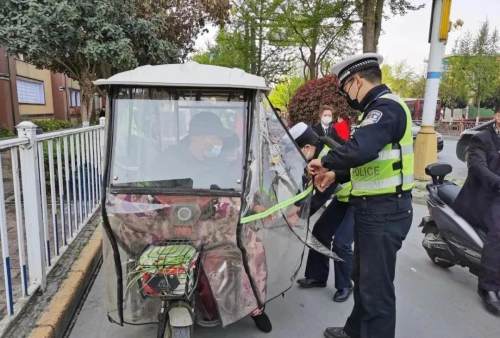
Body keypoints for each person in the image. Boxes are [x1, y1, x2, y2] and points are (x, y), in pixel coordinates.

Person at [307, 53, 414, 338]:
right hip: (373, 210)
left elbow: (360, 149)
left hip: (385, 211)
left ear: (356, 81)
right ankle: (354, 331)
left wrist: (326, 163)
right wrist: (336, 175)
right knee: (363, 278)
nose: (347, 97)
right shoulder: (375, 112)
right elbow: (370, 162)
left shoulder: (385, 109)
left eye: (346, 90)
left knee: (375, 288)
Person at [289, 122, 354, 303]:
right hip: (344, 198)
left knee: (342, 243)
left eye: (298, 151)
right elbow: (305, 188)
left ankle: (345, 285)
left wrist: (298, 216)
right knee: (320, 231)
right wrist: (289, 210)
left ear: (308, 147)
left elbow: (320, 194)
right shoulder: (316, 155)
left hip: (359, 199)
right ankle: (317, 276)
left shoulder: (329, 155)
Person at [453, 103, 500, 315]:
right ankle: (488, 287)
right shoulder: (481, 138)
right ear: (498, 116)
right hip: (482, 197)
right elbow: (478, 167)